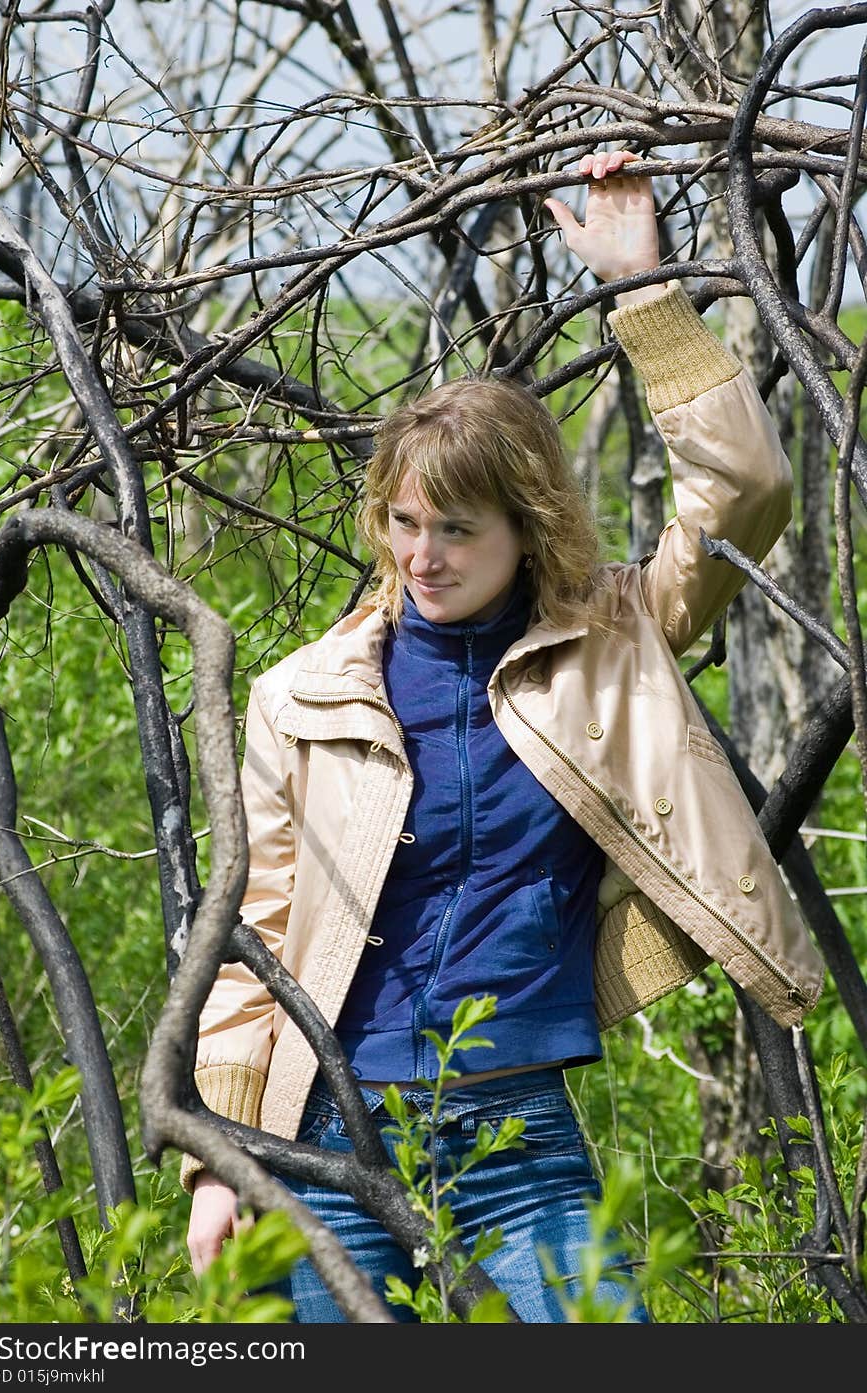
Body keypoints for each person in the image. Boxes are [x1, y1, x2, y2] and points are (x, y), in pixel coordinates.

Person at [182, 150, 825, 1322]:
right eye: (403, 522)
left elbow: (746, 491)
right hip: (330, 1132)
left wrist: (645, 293)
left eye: (457, 530)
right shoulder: (303, 696)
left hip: (518, 1129)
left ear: (526, 529)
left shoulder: (615, 635)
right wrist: (215, 1160)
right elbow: (254, 936)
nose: (421, 554)